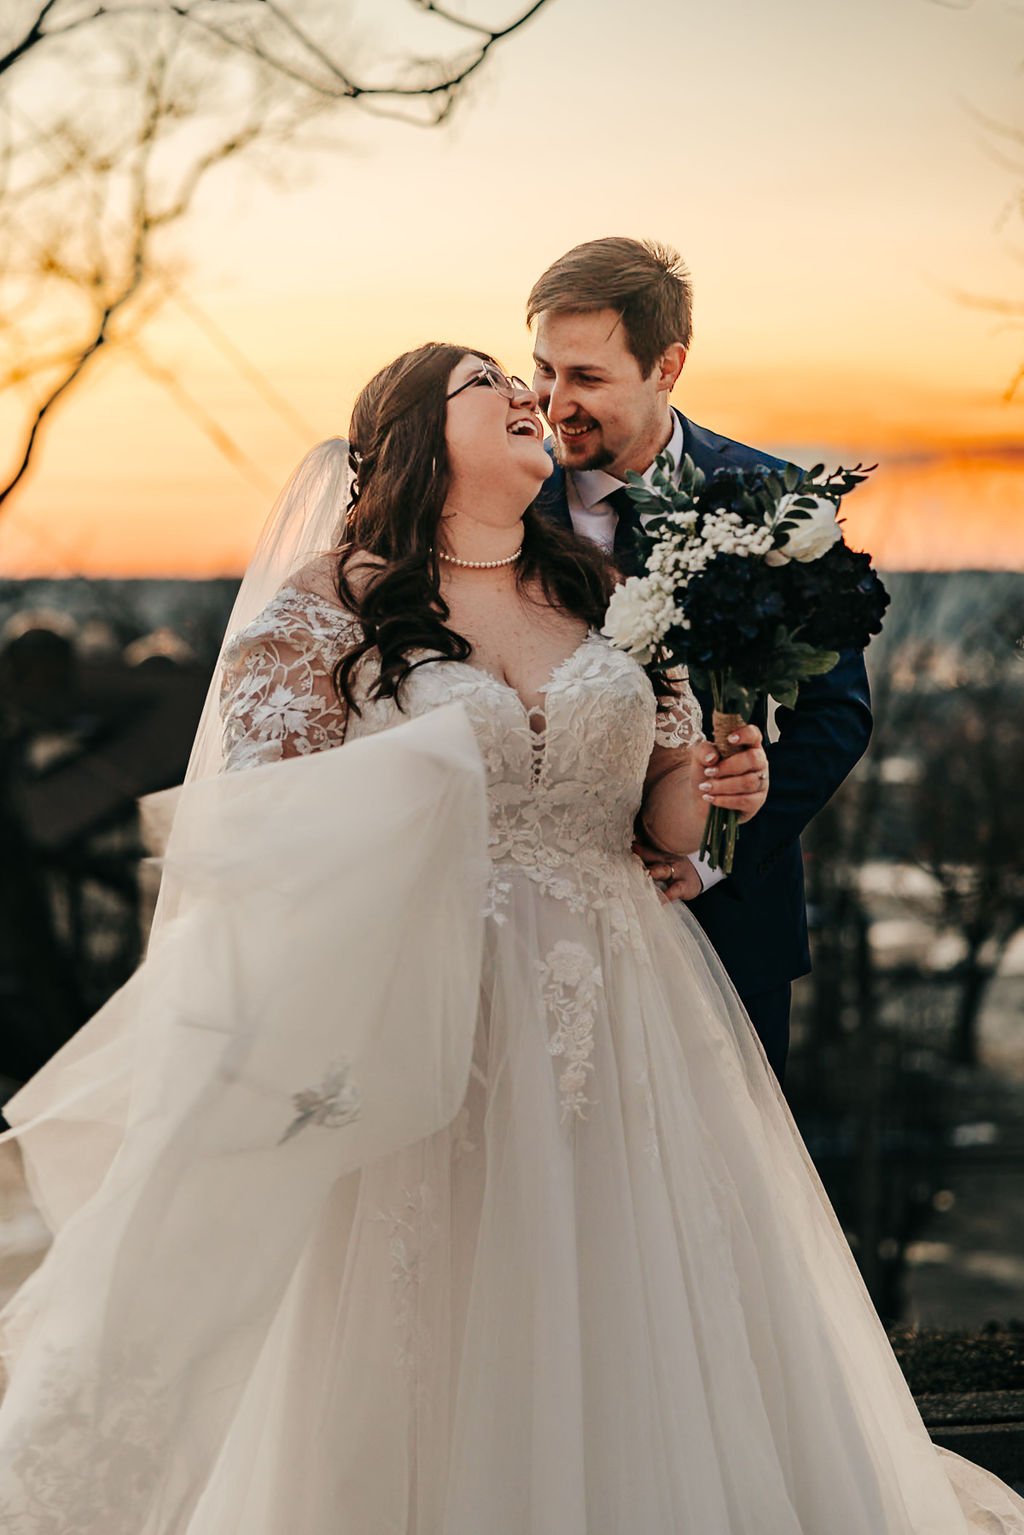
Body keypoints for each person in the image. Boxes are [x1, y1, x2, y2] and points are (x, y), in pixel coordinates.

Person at [0, 343, 1021, 1534]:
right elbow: (267, 843)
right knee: (442, 1311)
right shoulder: (327, 605)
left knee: (636, 1298)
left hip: (629, 1000)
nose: (529, 398)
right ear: (412, 441)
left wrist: (714, 771)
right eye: (490, 383)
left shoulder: (604, 591)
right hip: (433, 1014)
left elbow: (662, 822)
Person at [527, 237, 874, 1086]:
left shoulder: (776, 506)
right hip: (542, 932)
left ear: (667, 367)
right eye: (542, 370)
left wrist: (714, 852)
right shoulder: (503, 497)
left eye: (588, 378)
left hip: (729, 927)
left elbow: (838, 715)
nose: (554, 404)